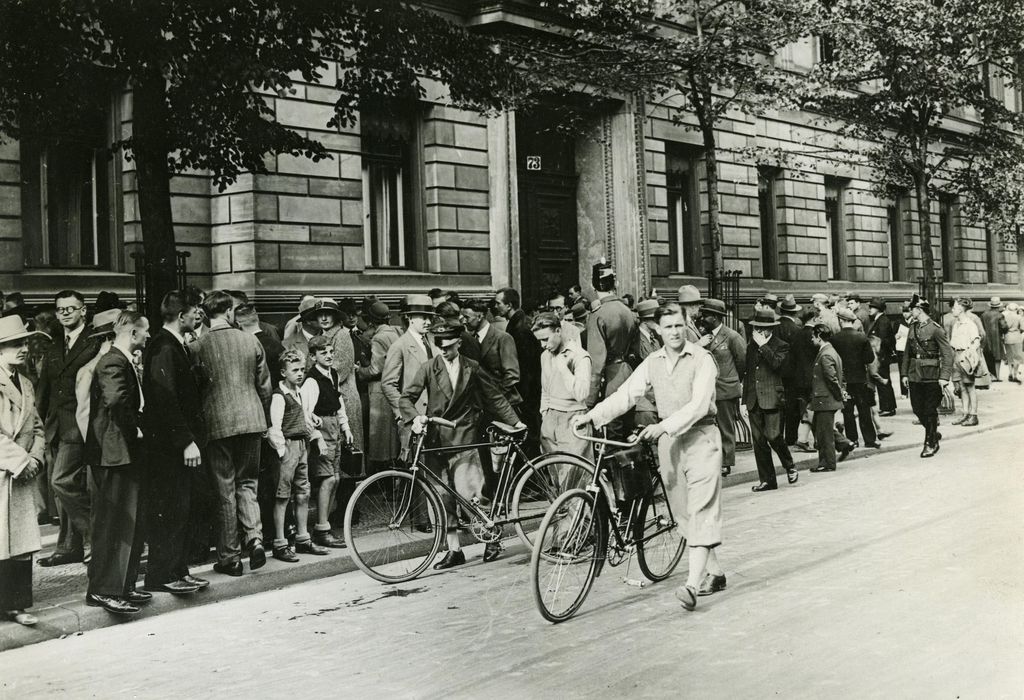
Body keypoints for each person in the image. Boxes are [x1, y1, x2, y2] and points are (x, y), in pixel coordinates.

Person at [574, 306, 726, 611]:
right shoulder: (652, 362)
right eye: (668, 327)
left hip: (702, 437)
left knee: (701, 508)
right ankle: (716, 572)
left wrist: (663, 426)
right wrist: (592, 416)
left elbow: (698, 405)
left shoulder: (702, 359)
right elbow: (626, 394)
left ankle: (692, 585)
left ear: (686, 326)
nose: (675, 332)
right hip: (669, 443)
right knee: (682, 512)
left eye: (680, 325)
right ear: (657, 329)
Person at [399, 320, 524, 568]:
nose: (443, 351)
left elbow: (494, 397)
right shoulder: (428, 368)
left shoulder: (472, 368)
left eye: (447, 346)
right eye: (439, 346)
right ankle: (454, 549)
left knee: (471, 492)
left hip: (464, 436)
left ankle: (490, 538)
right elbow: (406, 398)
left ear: (458, 343)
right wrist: (415, 418)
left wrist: (515, 422)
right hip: (436, 440)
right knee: (442, 495)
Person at [191, 290, 273, 576]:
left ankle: (231, 558)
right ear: (229, 313)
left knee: (224, 489)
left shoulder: (197, 346)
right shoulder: (250, 340)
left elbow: (196, 390)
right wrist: (263, 419)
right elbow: (265, 387)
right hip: (252, 421)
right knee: (248, 483)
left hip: (218, 426)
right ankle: (256, 539)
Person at [139, 291, 208, 596]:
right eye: (195, 311)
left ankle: (177, 570)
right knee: (170, 508)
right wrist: (186, 442)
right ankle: (163, 574)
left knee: (181, 508)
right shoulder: (165, 347)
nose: (199, 316)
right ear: (181, 316)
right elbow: (165, 400)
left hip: (172, 445)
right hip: (169, 449)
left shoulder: (171, 345)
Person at [84, 311, 151, 616]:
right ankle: (104, 590)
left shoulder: (120, 359)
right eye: (144, 332)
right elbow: (115, 401)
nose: (147, 337)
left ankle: (121, 586)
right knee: (113, 522)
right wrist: (135, 430)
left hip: (122, 452)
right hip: (114, 453)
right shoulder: (113, 361)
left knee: (128, 520)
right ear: (132, 333)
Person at [35, 290, 101, 567]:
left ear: (83, 311)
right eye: (60, 309)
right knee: (62, 491)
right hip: (55, 426)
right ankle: (68, 546)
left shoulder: (95, 341)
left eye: (70, 309)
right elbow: (45, 390)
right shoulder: (54, 346)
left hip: (80, 424)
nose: (64, 314)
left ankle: (97, 538)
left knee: (61, 482)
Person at [0, 316, 48, 626]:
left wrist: (36, 458)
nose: (24, 348)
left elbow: (39, 427)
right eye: (16, 343)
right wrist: (20, 461)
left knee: (21, 542)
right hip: (5, 471)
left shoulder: (25, 382)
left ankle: (17, 605)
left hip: (23, 472)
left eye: (25, 342)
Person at [265, 350, 329, 562]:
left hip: (302, 446)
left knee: (303, 492)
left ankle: (303, 538)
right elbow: (275, 427)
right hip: (289, 447)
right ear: (283, 372)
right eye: (295, 370)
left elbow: (304, 417)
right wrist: (283, 452)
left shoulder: (299, 392)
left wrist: (315, 428)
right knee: (283, 495)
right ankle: (280, 543)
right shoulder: (279, 395)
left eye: (302, 369)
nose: (300, 374)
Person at [300, 336, 352, 549]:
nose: (329, 356)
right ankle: (321, 528)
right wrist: (316, 437)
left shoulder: (332, 374)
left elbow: (338, 402)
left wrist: (345, 426)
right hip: (322, 431)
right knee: (327, 479)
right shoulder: (311, 380)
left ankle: (324, 525)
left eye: (331, 351)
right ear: (313, 356)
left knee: (336, 478)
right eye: (323, 353)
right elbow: (306, 413)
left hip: (334, 428)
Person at [744, 309, 798, 491]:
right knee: (758, 441)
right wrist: (745, 400)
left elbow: (778, 365)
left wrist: (762, 346)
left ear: (770, 329)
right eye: (757, 327)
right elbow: (749, 372)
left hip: (773, 397)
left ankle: (789, 464)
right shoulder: (751, 345)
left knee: (774, 436)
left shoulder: (781, 345)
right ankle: (767, 480)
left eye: (762, 328)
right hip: (753, 398)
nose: (758, 331)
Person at [584, 260, 637, 439]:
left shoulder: (598, 314)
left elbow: (596, 363)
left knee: (611, 432)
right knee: (628, 430)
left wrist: (590, 400)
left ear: (593, 285)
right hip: (627, 372)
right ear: (614, 284)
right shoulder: (627, 310)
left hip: (610, 377)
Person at [381, 295, 437, 459]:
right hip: (413, 419)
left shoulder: (432, 343)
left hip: (434, 416)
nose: (428, 322)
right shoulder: (400, 346)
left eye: (430, 318)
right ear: (410, 318)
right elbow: (388, 384)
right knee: (411, 470)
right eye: (423, 317)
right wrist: (404, 414)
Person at [532, 312, 592, 461]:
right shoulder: (545, 355)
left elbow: (582, 394)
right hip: (550, 419)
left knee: (574, 475)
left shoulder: (580, 356)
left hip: (573, 419)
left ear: (558, 331)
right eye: (539, 341)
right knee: (554, 473)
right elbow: (545, 389)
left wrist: (564, 369)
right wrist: (545, 414)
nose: (543, 345)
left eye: (546, 339)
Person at [696, 299, 745, 478]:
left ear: (716, 317)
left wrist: (733, 379)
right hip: (708, 389)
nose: (703, 318)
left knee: (725, 426)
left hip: (725, 389)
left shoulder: (731, 336)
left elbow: (742, 361)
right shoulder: (704, 336)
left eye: (707, 315)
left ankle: (726, 462)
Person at [902, 295, 953, 458]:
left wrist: (944, 377)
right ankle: (933, 432)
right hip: (914, 374)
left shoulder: (936, 329)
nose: (911, 311)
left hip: (932, 375)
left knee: (929, 409)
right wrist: (904, 373)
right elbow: (907, 353)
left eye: (913, 309)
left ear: (919, 310)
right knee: (917, 408)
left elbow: (947, 354)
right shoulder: (913, 327)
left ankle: (930, 443)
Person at [494, 287, 542, 449]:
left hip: (526, 394)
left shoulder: (520, 328)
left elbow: (527, 367)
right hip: (527, 392)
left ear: (509, 305)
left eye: (498, 303)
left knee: (528, 437)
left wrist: (522, 397)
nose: (495, 307)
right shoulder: (518, 323)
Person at [356, 301, 402, 471]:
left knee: (381, 441)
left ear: (370, 321)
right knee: (391, 439)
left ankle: (383, 481)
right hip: (394, 388)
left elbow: (376, 369)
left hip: (379, 390)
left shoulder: (379, 337)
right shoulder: (395, 332)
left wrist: (360, 370)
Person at [831, 307, 879, 448]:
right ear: (852, 321)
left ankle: (853, 439)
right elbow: (869, 359)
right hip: (860, 379)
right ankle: (870, 439)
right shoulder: (862, 337)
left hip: (844, 380)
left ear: (841, 320)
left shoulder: (835, 339)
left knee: (848, 411)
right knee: (864, 410)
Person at [807, 324, 853, 472]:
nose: (812, 340)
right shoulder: (831, 351)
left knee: (824, 433)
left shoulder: (826, 354)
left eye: (813, 337)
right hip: (826, 399)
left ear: (819, 337)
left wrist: (839, 395)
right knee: (820, 428)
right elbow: (840, 376)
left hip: (825, 399)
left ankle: (827, 463)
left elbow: (831, 378)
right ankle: (843, 445)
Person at [949, 297, 984, 427]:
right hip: (956, 355)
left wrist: (969, 353)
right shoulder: (956, 323)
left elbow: (976, 341)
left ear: (961, 309)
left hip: (965, 356)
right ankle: (965, 413)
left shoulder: (970, 324)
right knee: (962, 387)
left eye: (954, 308)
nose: (952, 310)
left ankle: (973, 415)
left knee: (970, 387)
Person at [776, 294, 805, 445]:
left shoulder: (774, 326)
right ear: (794, 312)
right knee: (792, 407)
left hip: (776, 371)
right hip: (792, 374)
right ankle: (791, 438)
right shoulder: (796, 329)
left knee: (778, 405)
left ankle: (777, 435)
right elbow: (800, 354)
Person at [630, 299, 662, 428]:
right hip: (645, 401)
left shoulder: (654, 339)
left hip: (656, 399)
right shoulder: (637, 341)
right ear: (645, 321)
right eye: (655, 319)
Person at [867, 298, 897, 416]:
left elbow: (882, 341)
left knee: (883, 381)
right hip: (881, 356)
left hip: (881, 356)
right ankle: (887, 406)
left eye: (872, 307)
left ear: (878, 309)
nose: (869, 309)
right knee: (883, 381)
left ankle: (888, 407)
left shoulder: (882, 321)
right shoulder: (880, 320)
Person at [980, 296, 1008, 381]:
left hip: (986, 340)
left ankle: (990, 376)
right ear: (999, 306)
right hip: (996, 339)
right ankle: (997, 376)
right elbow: (1004, 327)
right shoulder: (1000, 315)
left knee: (988, 357)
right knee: (997, 358)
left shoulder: (984, 314)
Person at [894, 301, 912, 397]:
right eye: (904, 312)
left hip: (910, 348)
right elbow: (893, 335)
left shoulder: (914, 322)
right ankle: (904, 392)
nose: (905, 314)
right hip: (901, 349)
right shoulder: (898, 322)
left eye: (907, 311)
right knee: (902, 371)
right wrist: (896, 336)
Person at [1003, 303, 1023, 383]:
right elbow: (1022, 328)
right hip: (1016, 337)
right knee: (1017, 357)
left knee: (1009, 356)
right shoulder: (1019, 317)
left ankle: (1010, 373)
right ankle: (1015, 375)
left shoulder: (1005, 317)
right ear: (1016, 309)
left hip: (1007, 337)